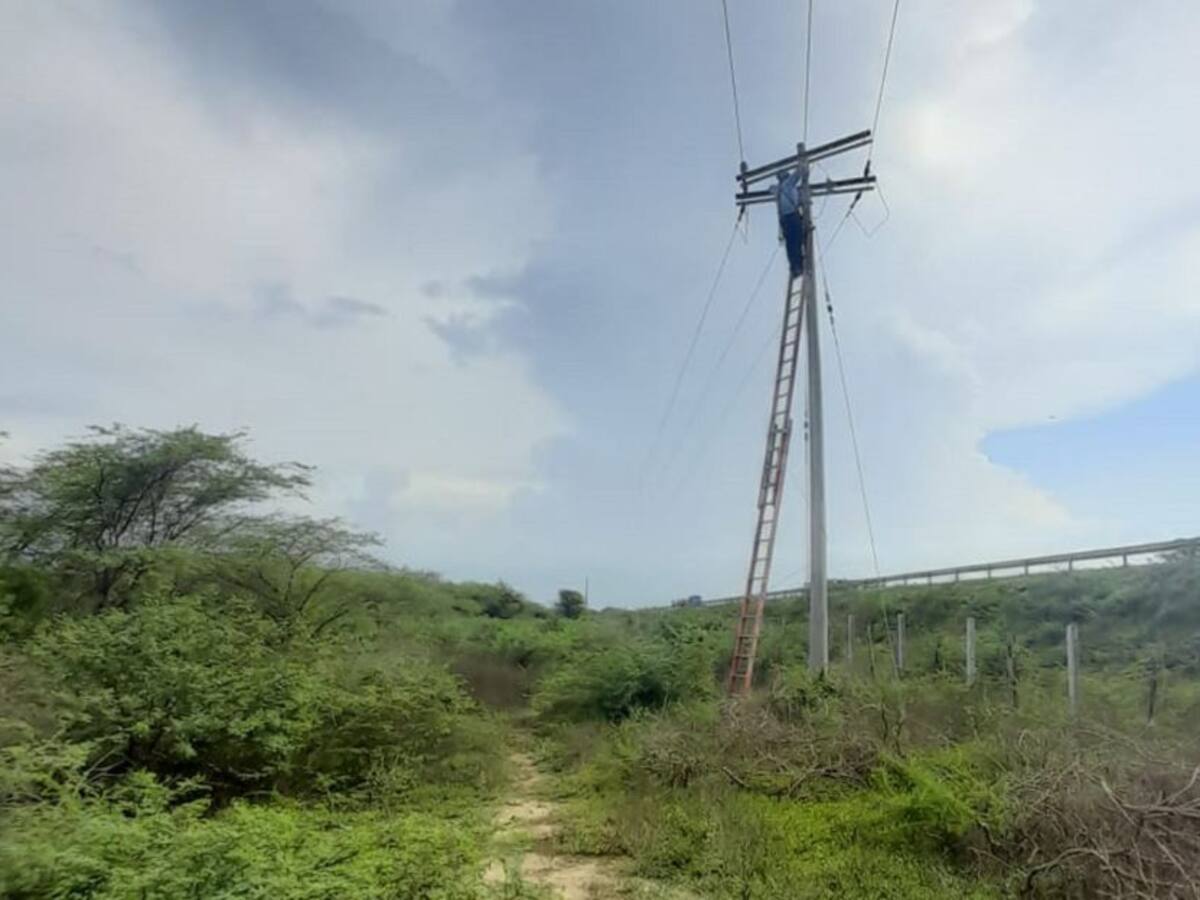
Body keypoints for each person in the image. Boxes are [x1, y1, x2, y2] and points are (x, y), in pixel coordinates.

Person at [771, 169, 807, 277]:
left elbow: (771, 189)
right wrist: (803, 164)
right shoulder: (788, 183)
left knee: (791, 244)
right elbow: (798, 174)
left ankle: (795, 267)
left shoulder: (778, 189)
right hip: (792, 216)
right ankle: (799, 265)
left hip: (785, 220)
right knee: (798, 239)